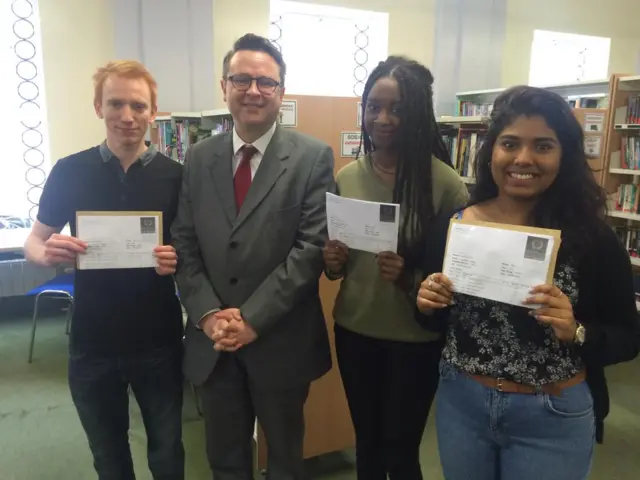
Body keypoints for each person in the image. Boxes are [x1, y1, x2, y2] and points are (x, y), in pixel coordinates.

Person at [416, 86, 640, 480]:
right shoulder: (456, 225)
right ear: (492, 152)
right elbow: (437, 321)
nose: (523, 159)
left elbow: (627, 336)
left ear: (564, 155)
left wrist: (577, 330)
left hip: (551, 414)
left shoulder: (592, 239)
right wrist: (427, 305)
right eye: (510, 144)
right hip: (462, 403)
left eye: (543, 146)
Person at [171, 33, 334, 479]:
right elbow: (183, 243)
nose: (253, 90)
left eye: (266, 81)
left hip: (280, 341)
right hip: (214, 341)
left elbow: (311, 249)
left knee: (284, 460)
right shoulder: (199, 158)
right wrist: (208, 316)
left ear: (281, 92)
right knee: (224, 460)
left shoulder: (312, 157)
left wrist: (252, 320)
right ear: (224, 87)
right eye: (241, 79)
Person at [24, 61, 185, 480]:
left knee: (167, 452)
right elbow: (34, 241)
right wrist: (46, 254)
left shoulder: (177, 177)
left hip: (159, 342)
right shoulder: (69, 171)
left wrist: (177, 257)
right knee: (109, 456)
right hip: (92, 341)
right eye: (115, 103)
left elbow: (192, 250)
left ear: (154, 111)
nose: (127, 116)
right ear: (98, 107)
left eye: (138, 105)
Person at [322, 56, 469, 480]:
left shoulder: (444, 183)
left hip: (414, 340)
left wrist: (409, 277)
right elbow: (340, 263)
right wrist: (332, 263)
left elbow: (458, 279)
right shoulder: (347, 176)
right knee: (366, 444)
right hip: (355, 330)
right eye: (373, 106)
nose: (382, 119)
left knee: (401, 451)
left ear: (417, 113)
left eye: (397, 108)